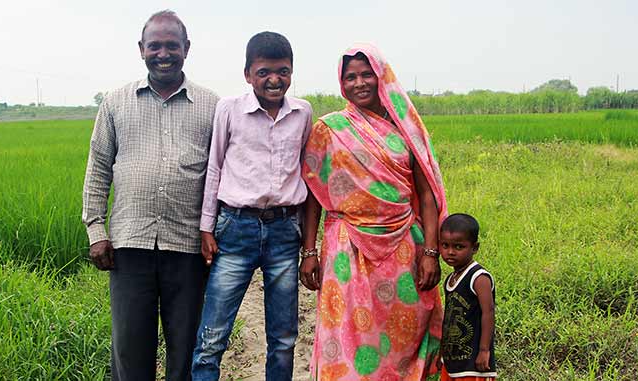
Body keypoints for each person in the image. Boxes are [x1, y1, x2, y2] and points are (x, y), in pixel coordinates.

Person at [81, 10, 219, 381]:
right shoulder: (116, 102)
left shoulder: (212, 106)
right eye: (154, 46)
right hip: (130, 246)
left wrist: (215, 232)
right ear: (141, 49)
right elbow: (98, 169)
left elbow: (221, 174)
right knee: (130, 349)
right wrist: (96, 232)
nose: (163, 54)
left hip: (188, 247)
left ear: (186, 48)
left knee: (186, 349)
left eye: (171, 45)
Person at [299, 43, 448, 380]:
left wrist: (431, 252)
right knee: (349, 334)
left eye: (367, 74)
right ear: (341, 83)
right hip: (346, 248)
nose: (359, 83)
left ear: (382, 77)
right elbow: (312, 195)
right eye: (350, 77)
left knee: (405, 330)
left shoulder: (406, 129)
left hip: (403, 246)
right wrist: (309, 251)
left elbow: (426, 195)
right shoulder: (330, 129)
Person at [191, 31, 312, 381]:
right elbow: (214, 166)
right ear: (248, 74)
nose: (274, 79)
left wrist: (308, 245)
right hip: (235, 229)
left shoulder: (302, 113)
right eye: (264, 72)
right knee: (213, 335)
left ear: (291, 72)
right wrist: (206, 227)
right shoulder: (229, 109)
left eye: (283, 71)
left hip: (284, 231)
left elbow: (307, 173)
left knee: (284, 337)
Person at [438, 213, 496, 380]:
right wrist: (443, 352)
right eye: (445, 245)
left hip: (473, 363)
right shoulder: (451, 279)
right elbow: (449, 319)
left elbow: (488, 313)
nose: (450, 252)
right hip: (453, 360)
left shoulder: (479, 278)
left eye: (458, 247)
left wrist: (484, 350)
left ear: (475, 248)